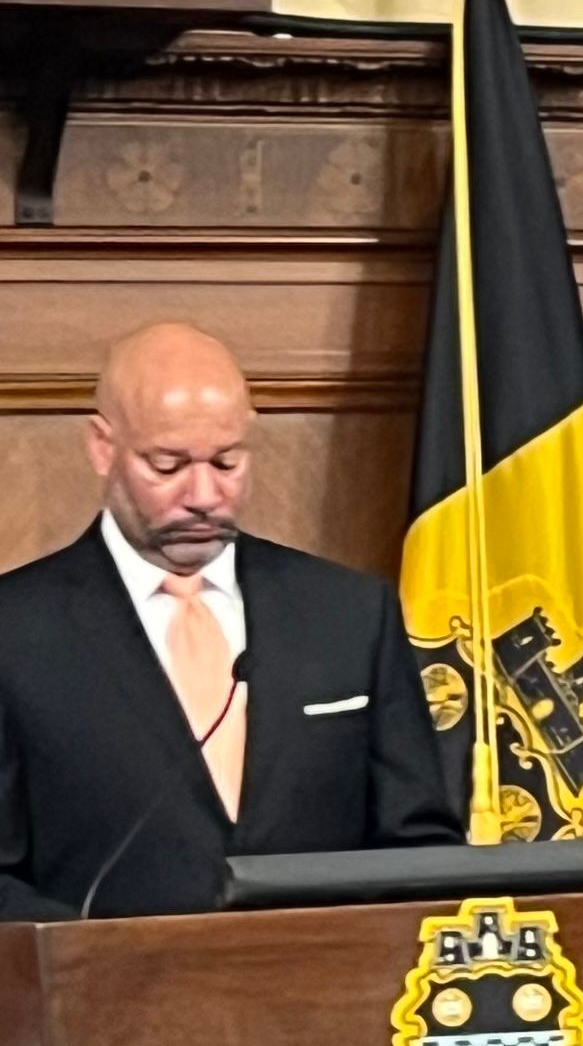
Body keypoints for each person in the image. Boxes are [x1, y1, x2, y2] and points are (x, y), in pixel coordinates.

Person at [0, 322, 457, 917]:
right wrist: (99, 963)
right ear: (102, 447)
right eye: (167, 465)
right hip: (107, 998)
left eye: (226, 462)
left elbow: (420, 848)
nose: (202, 494)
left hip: (326, 991)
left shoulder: (348, 615)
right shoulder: (16, 632)